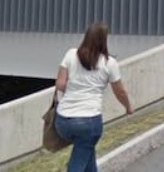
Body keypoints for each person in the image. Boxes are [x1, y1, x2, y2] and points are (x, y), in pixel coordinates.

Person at [54, 22, 133, 172]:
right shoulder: (109, 63)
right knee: (78, 162)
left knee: (87, 153)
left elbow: (60, 84)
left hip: (63, 121)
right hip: (88, 122)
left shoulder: (71, 54)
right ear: (104, 40)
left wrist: (74, 90)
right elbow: (120, 91)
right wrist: (128, 107)